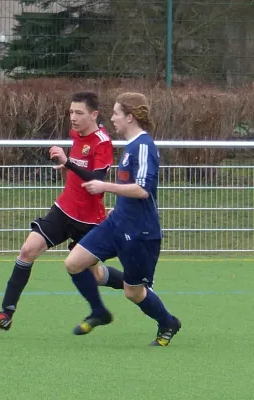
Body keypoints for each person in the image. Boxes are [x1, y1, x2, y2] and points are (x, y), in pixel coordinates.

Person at [0, 91, 124, 331]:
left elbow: (97, 180)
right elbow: (75, 174)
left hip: (90, 219)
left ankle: (136, 286)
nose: (73, 117)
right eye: (71, 112)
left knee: (96, 276)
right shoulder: (75, 135)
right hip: (64, 209)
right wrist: (64, 165)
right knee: (27, 250)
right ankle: (5, 313)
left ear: (94, 114)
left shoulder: (102, 143)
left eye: (79, 113)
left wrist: (67, 162)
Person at [64, 92, 181, 346]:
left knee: (133, 292)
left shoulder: (143, 146)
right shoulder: (130, 147)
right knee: (74, 263)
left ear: (130, 117)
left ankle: (168, 322)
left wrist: (105, 187)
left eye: (117, 113)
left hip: (140, 232)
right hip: (117, 224)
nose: (112, 118)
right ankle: (99, 312)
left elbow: (142, 190)